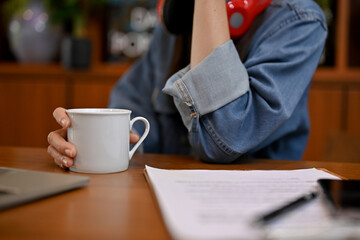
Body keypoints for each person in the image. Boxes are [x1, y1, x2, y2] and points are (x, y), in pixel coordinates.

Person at [47, 0, 327, 169]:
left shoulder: (300, 20)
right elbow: (131, 107)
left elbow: (223, 140)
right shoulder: (178, 20)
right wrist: (88, 144)